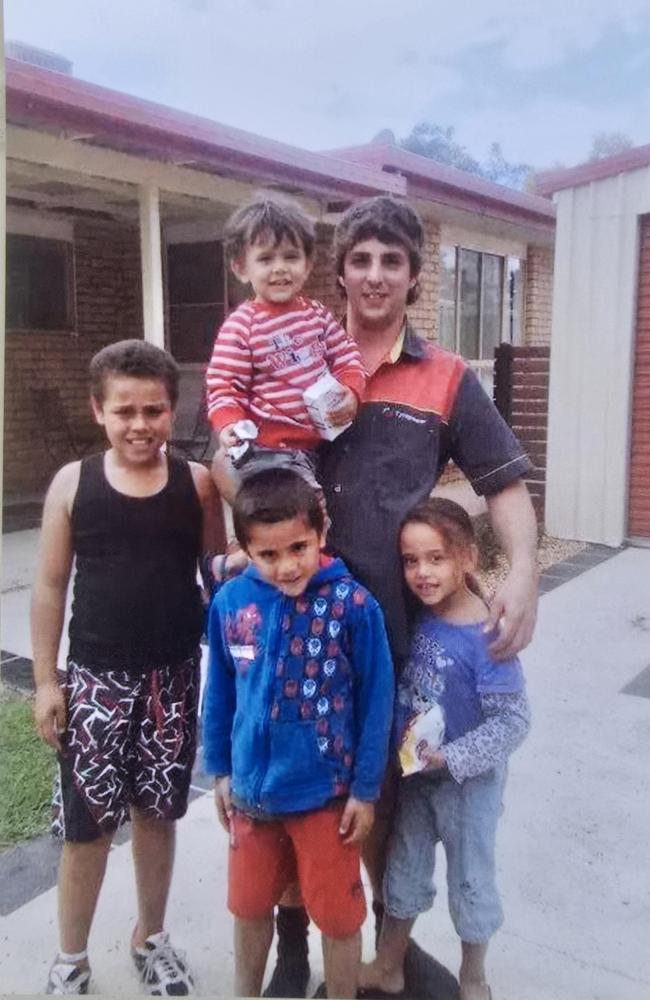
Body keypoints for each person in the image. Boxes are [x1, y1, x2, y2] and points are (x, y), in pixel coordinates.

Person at [261, 196, 540, 996]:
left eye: (392, 260)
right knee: (288, 780)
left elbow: (505, 486)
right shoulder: (293, 358)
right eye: (361, 259)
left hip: (390, 636)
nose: (376, 274)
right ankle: (289, 951)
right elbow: (234, 453)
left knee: (378, 792)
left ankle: (387, 942)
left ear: (415, 275)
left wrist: (520, 573)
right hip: (293, 621)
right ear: (339, 269)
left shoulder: (447, 377)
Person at [31, 339, 224, 996]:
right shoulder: (72, 483)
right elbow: (51, 586)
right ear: (99, 411)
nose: (140, 424)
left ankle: (150, 935)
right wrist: (47, 682)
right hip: (94, 684)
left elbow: (220, 578)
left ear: (174, 410)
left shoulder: (197, 485)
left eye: (154, 410)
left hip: (173, 678)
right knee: (87, 828)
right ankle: (71, 959)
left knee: (156, 816)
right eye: (126, 412)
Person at [201, 468, 394, 999]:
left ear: (321, 533)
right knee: (249, 905)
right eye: (268, 555)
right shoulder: (230, 604)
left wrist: (365, 789)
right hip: (251, 793)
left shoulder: (354, 605)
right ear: (246, 549)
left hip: (326, 795)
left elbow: (377, 702)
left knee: (337, 915)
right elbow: (218, 692)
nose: (287, 566)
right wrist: (219, 769)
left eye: (298, 547)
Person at [359, 497, 530, 1000]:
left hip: (467, 786)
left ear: (468, 559)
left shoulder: (488, 637)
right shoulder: (422, 616)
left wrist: (452, 758)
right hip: (418, 777)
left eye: (436, 558)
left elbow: (514, 722)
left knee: (470, 881)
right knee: (404, 870)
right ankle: (389, 965)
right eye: (411, 561)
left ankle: (474, 977)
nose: (422, 572)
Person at [206, 196, 366, 506]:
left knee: (299, 519)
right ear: (241, 268)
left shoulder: (316, 315)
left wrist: (351, 391)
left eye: (290, 257)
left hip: (314, 448)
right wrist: (228, 424)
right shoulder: (241, 325)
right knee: (307, 516)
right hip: (267, 450)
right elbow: (224, 385)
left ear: (307, 265)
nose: (280, 269)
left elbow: (346, 354)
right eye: (266, 259)